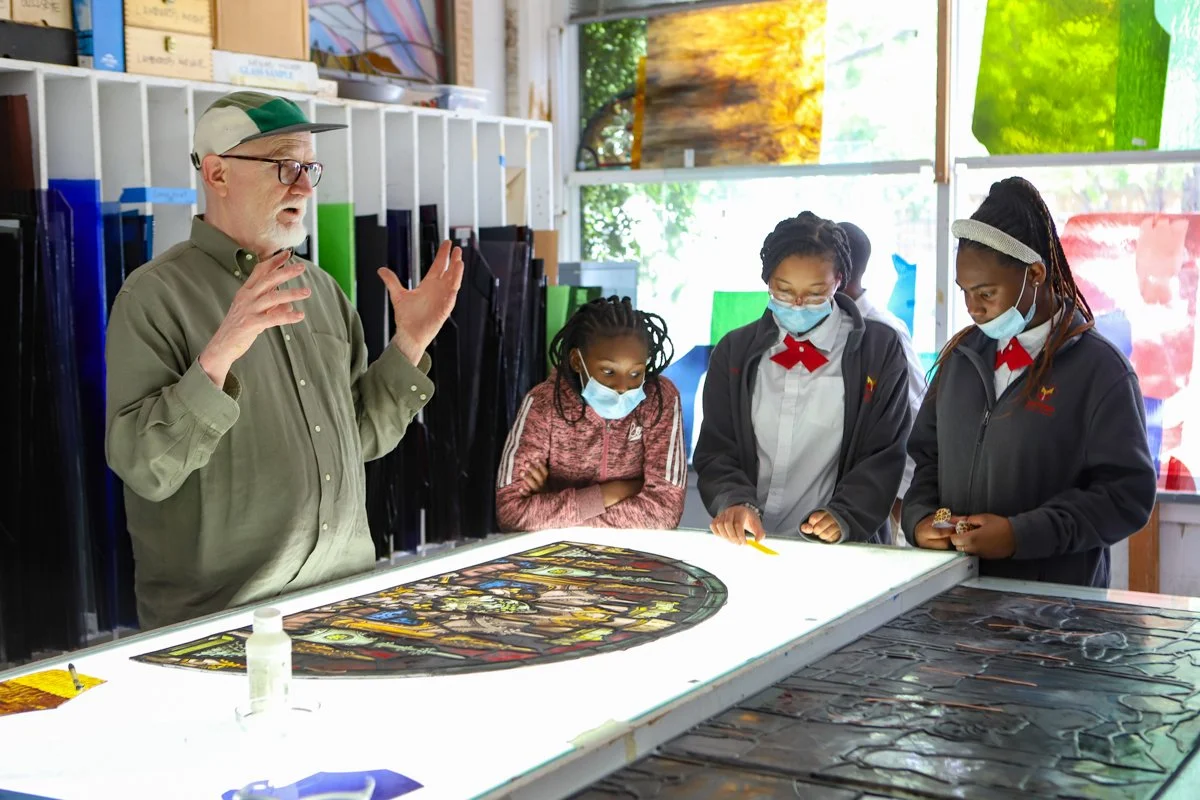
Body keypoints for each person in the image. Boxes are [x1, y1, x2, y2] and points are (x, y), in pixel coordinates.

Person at [105, 91, 464, 628]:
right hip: (225, 623)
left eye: (309, 168)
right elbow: (144, 468)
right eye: (284, 166)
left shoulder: (322, 290)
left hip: (342, 601)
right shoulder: (153, 297)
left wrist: (410, 342)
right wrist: (221, 352)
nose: (304, 187)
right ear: (218, 173)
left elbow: (360, 438)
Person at [903, 177, 1156, 587]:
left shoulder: (1100, 371)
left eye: (986, 293)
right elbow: (926, 458)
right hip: (956, 597)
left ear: (1035, 273)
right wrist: (924, 519)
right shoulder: (961, 359)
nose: (973, 309)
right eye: (964, 292)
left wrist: (1019, 536)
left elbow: (1126, 496)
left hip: (1054, 608)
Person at [695, 211, 913, 547]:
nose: (797, 305)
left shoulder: (878, 350)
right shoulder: (735, 351)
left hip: (841, 549)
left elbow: (884, 453)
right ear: (767, 281)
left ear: (839, 280)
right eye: (783, 291)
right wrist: (734, 501)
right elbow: (717, 448)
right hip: (751, 545)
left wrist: (845, 515)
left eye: (815, 293)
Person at [495, 296, 686, 531]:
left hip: (634, 550)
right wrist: (613, 492)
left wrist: (551, 510)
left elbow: (664, 513)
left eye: (635, 373)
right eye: (608, 371)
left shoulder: (659, 400)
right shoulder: (543, 403)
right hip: (558, 550)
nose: (622, 387)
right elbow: (510, 513)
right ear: (577, 361)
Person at [838, 220, 928, 542]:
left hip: (884, 498)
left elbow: (916, 417)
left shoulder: (885, 333)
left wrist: (899, 501)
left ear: (837, 274)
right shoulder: (825, 328)